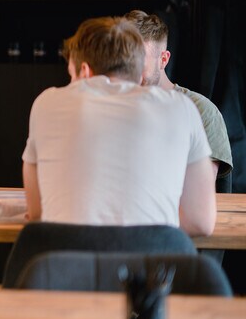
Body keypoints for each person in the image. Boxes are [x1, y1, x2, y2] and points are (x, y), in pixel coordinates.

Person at [22, 16, 216, 237]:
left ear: (84, 72)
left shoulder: (47, 103)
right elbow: (201, 223)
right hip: (153, 265)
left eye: (70, 76)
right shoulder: (183, 108)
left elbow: (37, 213)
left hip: (66, 265)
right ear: (138, 70)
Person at [124, 10, 233, 189]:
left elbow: (199, 189)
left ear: (163, 60)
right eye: (124, 63)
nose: (129, 74)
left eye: (138, 63)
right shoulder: (115, 106)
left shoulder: (202, 111)